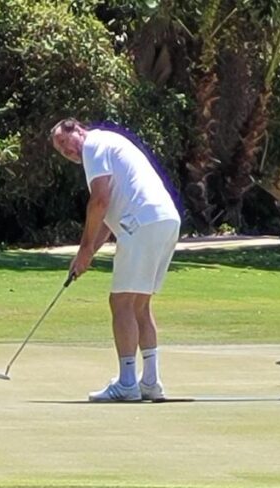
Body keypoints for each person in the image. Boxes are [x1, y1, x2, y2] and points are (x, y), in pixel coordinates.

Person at [50, 118, 181, 402]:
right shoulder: (108, 144)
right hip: (165, 220)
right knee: (139, 304)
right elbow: (109, 217)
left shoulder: (93, 146)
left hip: (142, 221)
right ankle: (150, 382)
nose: (66, 151)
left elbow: (99, 201)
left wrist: (84, 249)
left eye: (64, 142)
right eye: (60, 150)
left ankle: (126, 383)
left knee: (120, 302)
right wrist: (89, 253)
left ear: (79, 130)